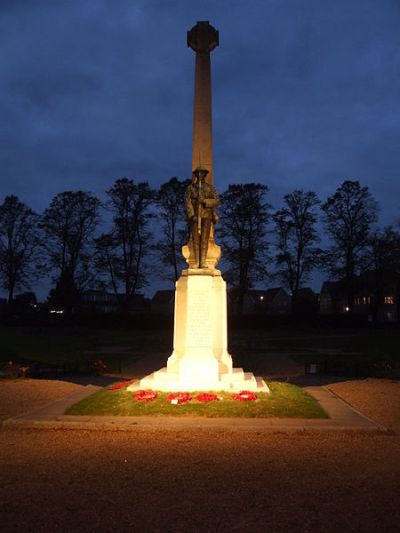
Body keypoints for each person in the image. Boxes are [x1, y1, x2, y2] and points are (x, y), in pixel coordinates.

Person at [185, 166, 219, 268]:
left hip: (206, 215)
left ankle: (203, 262)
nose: (200, 175)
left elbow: (216, 200)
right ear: (195, 175)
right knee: (196, 240)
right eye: (198, 173)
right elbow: (188, 202)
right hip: (195, 216)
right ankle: (196, 262)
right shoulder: (190, 188)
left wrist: (204, 201)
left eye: (202, 173)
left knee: (204, 239)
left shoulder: (210, 188)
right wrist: (191, 215)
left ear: (205, 175)